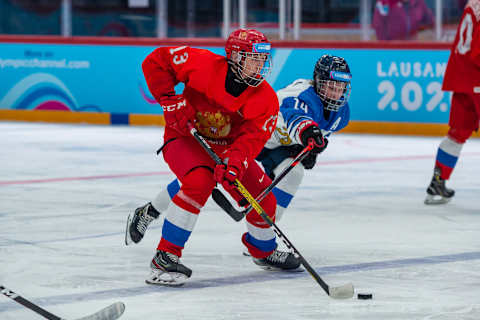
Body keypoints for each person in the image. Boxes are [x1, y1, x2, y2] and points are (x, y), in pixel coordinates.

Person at [126, 53, 352, 264]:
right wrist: (306, 132)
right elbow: (294, 114)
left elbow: (312, 132)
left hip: (275, 143)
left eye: (340, 87)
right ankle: (150, 211)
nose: (335, 92)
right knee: (204, 176)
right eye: (331, 85)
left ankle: (262, 240)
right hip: (256, 135)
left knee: (293, 174)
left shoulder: (341, 115)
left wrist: (307, 148)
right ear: (318, 82)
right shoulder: (301, 94)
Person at [127, 28, 301, 287]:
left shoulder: (265, 99)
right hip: (185, 138)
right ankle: (164, 257)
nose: (260, 65)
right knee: (199, 181)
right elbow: (155, 61)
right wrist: (170, 102)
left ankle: (263, 251)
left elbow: (252, 139)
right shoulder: (201, 63)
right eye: (253, 58)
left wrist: (235, 164)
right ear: (234, 57)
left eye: (263, 60)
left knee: (264, 198)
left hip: (227, 149)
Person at [424, 0, 480, 205]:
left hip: (461, 77)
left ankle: (437, 183)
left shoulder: (472, 3)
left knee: (457, 133)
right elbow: (478, 51)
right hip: (476, 76)